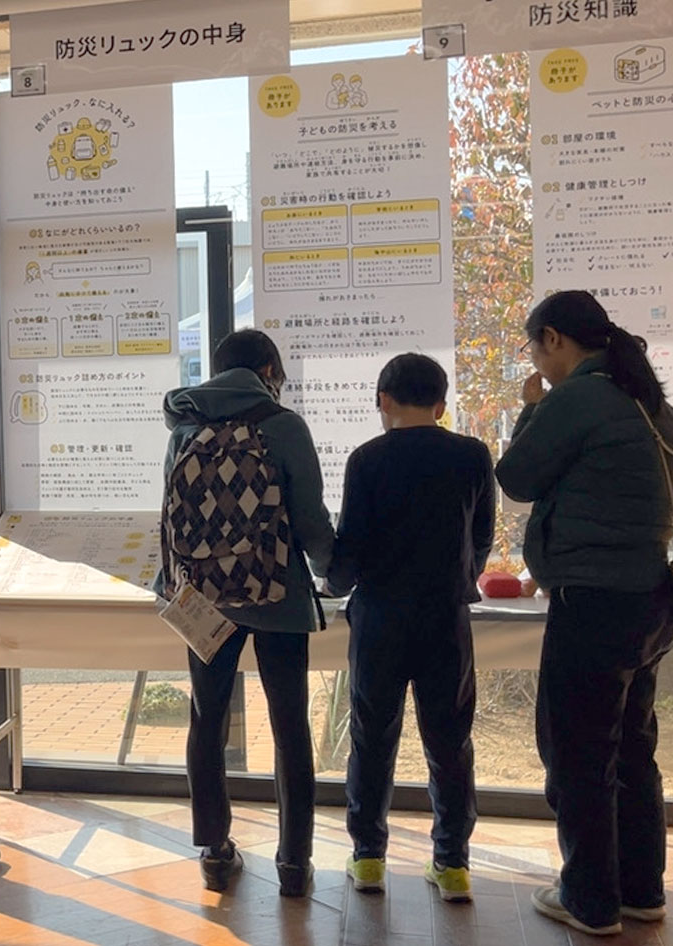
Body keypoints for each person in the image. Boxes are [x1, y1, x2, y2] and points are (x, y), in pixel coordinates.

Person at [495, 290, 673, 936]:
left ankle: (589, 900)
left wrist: (530, 410)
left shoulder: (577, 397)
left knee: (577, 753)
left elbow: (516, 477)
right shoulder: (646, 398)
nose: (536, 364)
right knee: (631, 748)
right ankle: (641, 890)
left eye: (534, 350)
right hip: (649, 599)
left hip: (592, 602)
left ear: (553, 339)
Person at [157, 329, 333, 898]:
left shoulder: (185, 427)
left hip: (204, 598)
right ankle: (294, 862)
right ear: (269, 370)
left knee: (207, 718)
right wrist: (334, 572)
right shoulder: (284, 426)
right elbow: (310, 520)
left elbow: (169, 515)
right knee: (289, 725)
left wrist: (172, 586)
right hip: (276, 593)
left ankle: (214, 852)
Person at [326, 353, 495, 903]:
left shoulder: (367, 459)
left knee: (372, 738)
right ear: (441, 405)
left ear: (384, 400)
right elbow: (481, 537)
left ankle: (368, 858)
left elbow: (351, 544)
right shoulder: (472, 455)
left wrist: (333, 582)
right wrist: (460, 578)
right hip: (446, 617)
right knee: (450, 742)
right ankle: (452, 864)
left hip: (379, 617)